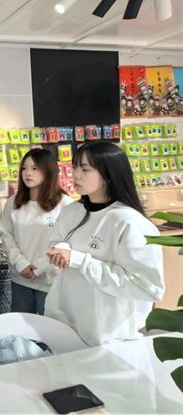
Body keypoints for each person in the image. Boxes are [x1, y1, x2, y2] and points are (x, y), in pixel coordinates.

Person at [44, 141, 165, 346]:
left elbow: (148, 287)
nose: (75, 175)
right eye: (74, 167)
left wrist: (79, 260)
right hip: (64, 321)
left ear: (108, 175)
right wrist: (61, 249)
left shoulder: (129, 222)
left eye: (85, 169)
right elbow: (55, 242)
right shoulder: (72, 211)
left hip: (107, 335)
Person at [0, 149, 73, 315]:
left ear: (48, 171)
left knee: (49, 328)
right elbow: (7, 237)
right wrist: (21, 263)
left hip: (51, 281)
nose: (28, 173)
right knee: (22, 327)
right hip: (20, 279)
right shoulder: (13, 202)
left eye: (34, 168)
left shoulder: (66, 205)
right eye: (24, 168)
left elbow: (66, 244)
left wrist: (39, 268)